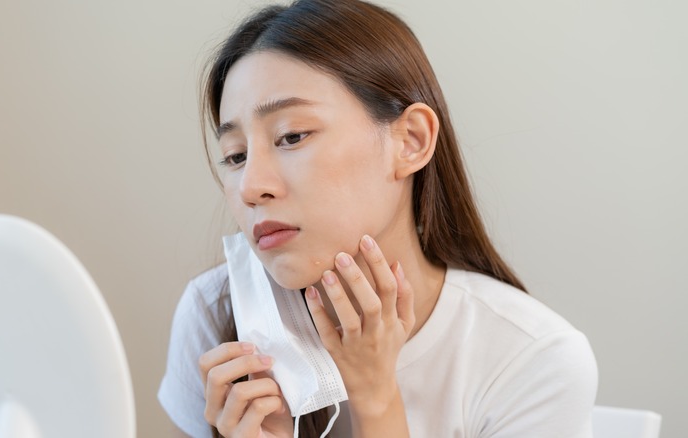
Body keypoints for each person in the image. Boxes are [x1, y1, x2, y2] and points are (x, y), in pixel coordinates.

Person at [158, 0, 598, 436]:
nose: (252, 187)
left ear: (410, 141)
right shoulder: (215, 314)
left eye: (292, 136)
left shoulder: (533, 359)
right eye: (235, 156)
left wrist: (376, 399)